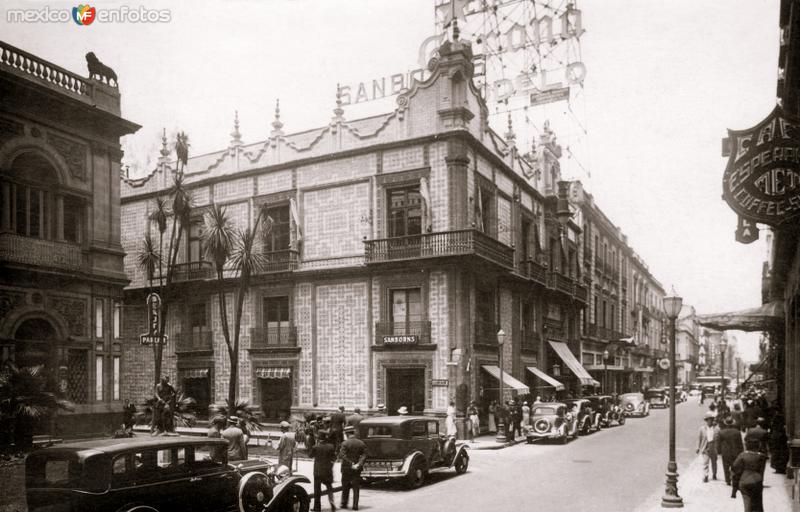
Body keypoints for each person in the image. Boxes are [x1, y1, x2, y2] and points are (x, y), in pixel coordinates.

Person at [731, 437, 768, 512]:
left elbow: (735, 470)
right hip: (757, 481)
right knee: (758, 505)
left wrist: (734, 489)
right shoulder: (762, 456)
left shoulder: (742, 455)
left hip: (745, 481)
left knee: (747, 503)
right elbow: (762, 472)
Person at [339, 434, 367, 511]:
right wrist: (359, 463)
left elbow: (342, 455)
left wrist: (350, 463)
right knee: (356, 487)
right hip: (357, 468)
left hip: (346, 468)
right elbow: (364, 455)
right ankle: (355, 505)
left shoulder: (344, 443)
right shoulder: (361, 443)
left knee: (345, 486)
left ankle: (344, 503)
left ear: (347, 434)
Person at [309, 431, 336, 512]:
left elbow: (310, 455)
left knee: (317, 490)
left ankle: (317, 508)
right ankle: (332, 504)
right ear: (325, 437)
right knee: (329, 488)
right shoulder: (331, 447)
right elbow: (334, 458)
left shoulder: (315, 447)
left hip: (318, 471)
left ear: (318, 438)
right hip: (327, 471)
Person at [719, 415, 745, 486]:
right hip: (735, 452)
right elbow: (740, 443)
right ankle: (734, 479)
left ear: (725, 423)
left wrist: (719, 451)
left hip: (725, 453)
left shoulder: (721, 432)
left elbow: (719, 443)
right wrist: (741, 452)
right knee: (735, 466)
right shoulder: (737, 432)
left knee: (726, 467)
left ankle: (727, 480)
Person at [696, 411, 720, 482]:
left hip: (713, 447)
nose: (710, 421)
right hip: (706, 447)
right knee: (705, 462)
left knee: (714, 462)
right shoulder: (702, 429)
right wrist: (698, 447)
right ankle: (706, 475)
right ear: (706, 420)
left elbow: (719, 439)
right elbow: (699, 438)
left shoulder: (716, 429)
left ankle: (714, 474)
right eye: (708, 420)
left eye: (711, 419)